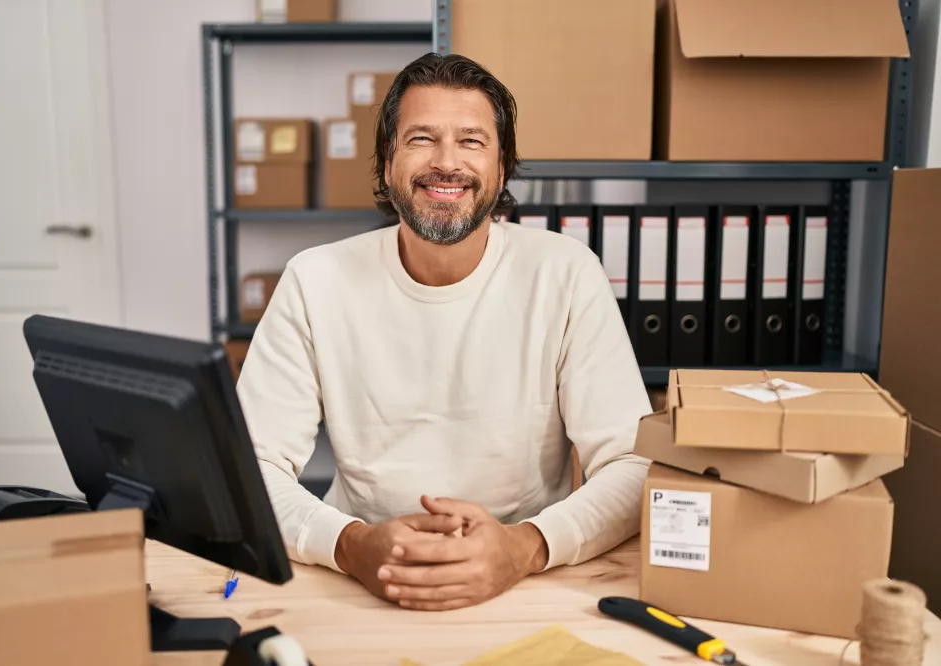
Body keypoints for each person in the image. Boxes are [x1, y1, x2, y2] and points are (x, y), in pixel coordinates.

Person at [237, 52, 652, 611]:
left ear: (502, 168)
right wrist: (352, 544)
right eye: (421, 139)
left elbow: (632, 463)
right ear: (387, 163)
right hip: (355, 578)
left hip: (531, 579)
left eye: (472, 141)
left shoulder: (565, 272)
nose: (446, 163)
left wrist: (524, 547)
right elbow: (251, 467)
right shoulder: (315, 279)